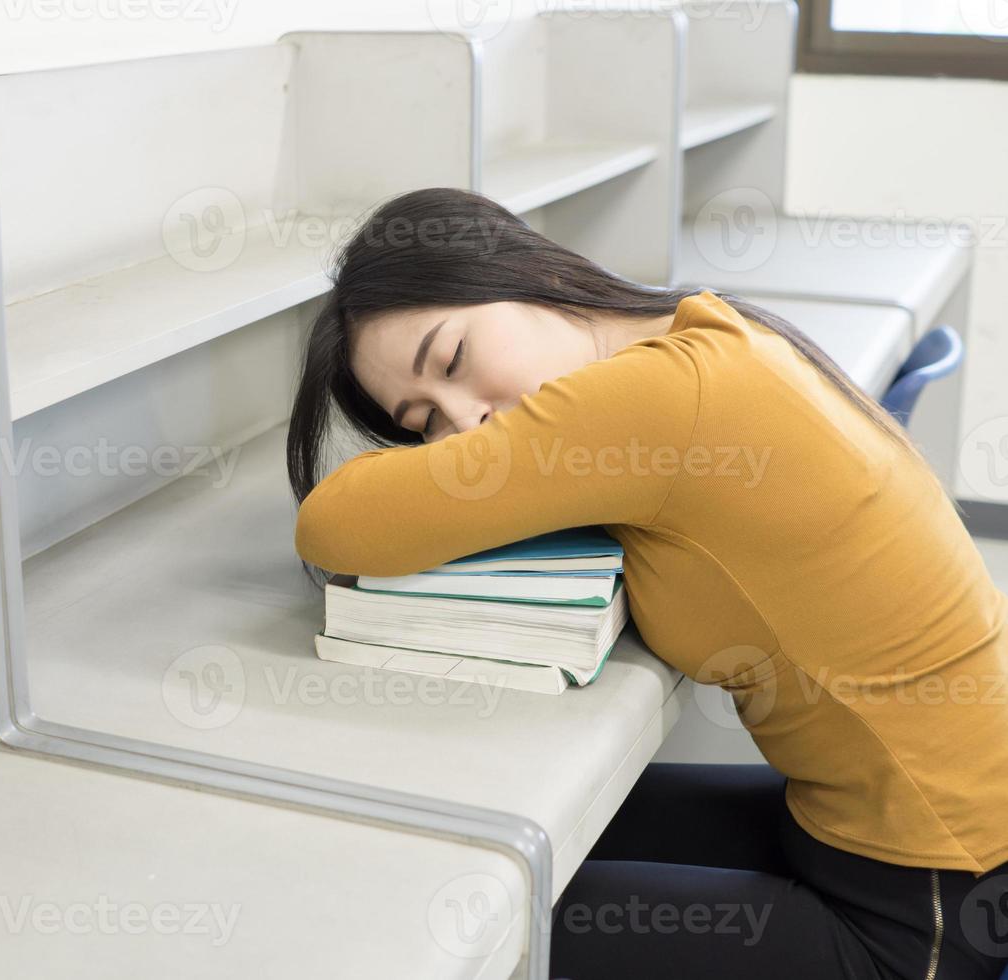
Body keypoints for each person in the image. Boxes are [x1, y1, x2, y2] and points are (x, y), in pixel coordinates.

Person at [287, 187, 1008, 979]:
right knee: (508, 839)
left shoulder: (649, 403)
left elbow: (336, 523)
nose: (466, 423)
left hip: (925, 909)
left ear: (527, 273)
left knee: (478, 920)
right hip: (890, 828)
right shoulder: (705, 329)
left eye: (453, 359)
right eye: (423, 420)